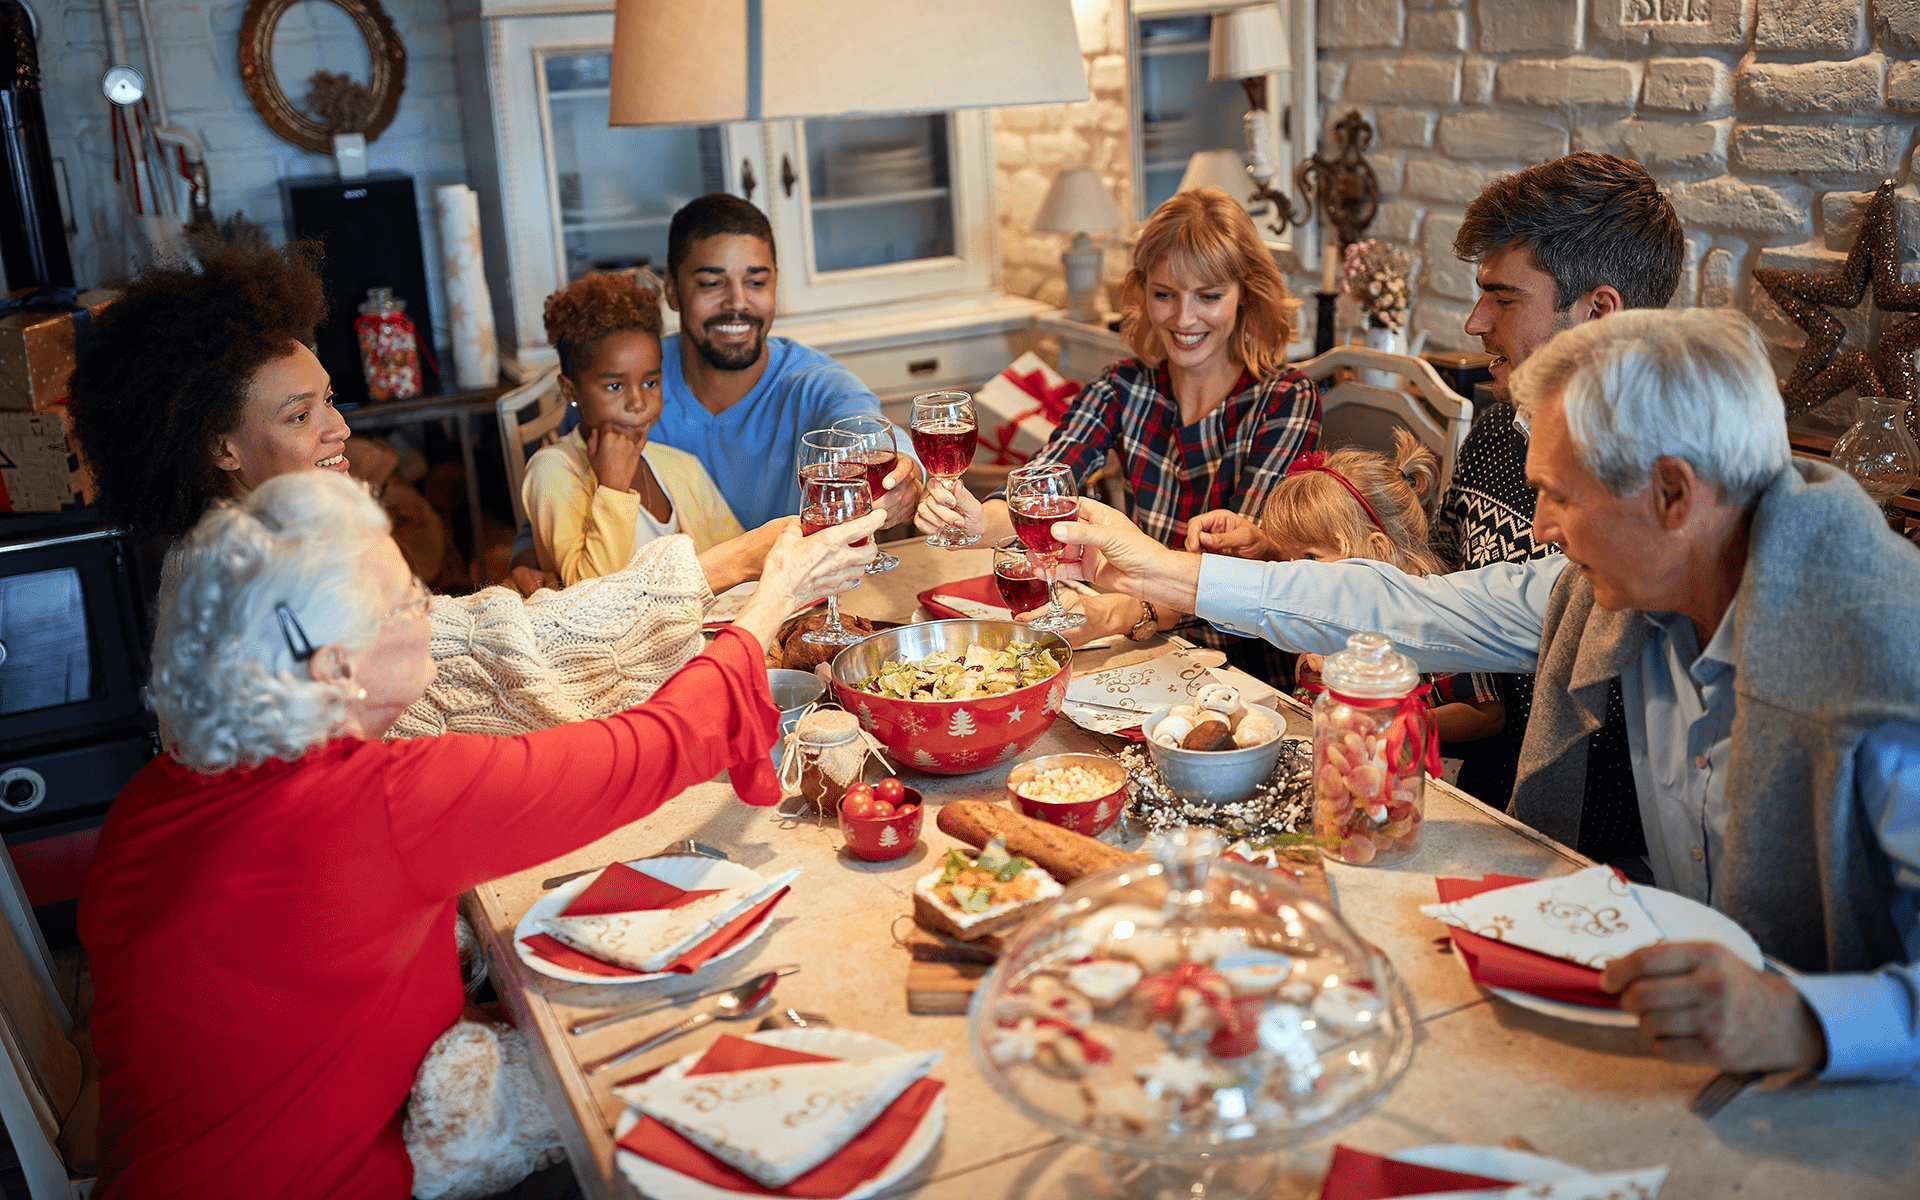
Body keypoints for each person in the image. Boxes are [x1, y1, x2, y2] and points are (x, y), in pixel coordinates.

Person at [1051, 308, 1920, 1083]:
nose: (1538, 527)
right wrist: (1165, 569)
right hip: (1677, 1045)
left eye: (1557, 496)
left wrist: (1804, 1019)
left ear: (1671, 495)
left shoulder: (1884, 657)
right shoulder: (1612, 581)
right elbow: (1403, 606)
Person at [78, 469, 879, 1197]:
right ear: (333, 669)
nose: (429, 610)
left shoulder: (153, 796)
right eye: (406, 602)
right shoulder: (374, 805)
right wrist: (773, 597)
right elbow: (651, 749)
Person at [64, 245, 800, 740]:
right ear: (218, 446)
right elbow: (488, 656)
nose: (337, 433)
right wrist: (729, 563)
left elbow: (465, 635)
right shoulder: (256, 587)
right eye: (299, 415)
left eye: (331, 403)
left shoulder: (237, 545)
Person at [916, 186, 1319, 653]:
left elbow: (1239, 575)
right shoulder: (1123, 386)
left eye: (1208, 296)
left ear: (1245, 295)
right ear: (1140, 290)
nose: (1184, 318)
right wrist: (974, 523)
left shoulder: (1286, 399)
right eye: (1164, 294)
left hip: (1240, 654)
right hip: (1137, 642)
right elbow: (1042, 487)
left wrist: (1122, 613)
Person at [1432, 152, 1684, 853]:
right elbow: (1443, 570)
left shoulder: (1665, 500)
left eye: (1504, 298)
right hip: (1479, 806)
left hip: (1605, 863)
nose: (1475, 321)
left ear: (1598, 312)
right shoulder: (1490, 434)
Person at [649, 193, 923, 530]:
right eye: (711, 283)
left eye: (756, 282)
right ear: (672, 290)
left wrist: (907, 472)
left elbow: (864, 425)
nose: (738, 303)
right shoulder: (632, 377)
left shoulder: (812, 382)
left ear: (775, 281)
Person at [525, 271, 774, 586]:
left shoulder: (680, 466)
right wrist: (612, 488)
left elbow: (739, 561)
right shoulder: (552, 471)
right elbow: (589, 598)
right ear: (571, 390)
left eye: (650, 382)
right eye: (615, 386)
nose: (638, 402)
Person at [1260, 433, 1503, 745]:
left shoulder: (1432, 616)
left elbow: (1488, 715)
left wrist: (1397, 725)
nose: (1294, 571)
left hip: (1410, 771)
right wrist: (1315, 662)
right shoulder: (1329, 604)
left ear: (1375, 550)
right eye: (1288, 559)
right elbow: (1306, 680)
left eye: (1310, 557)